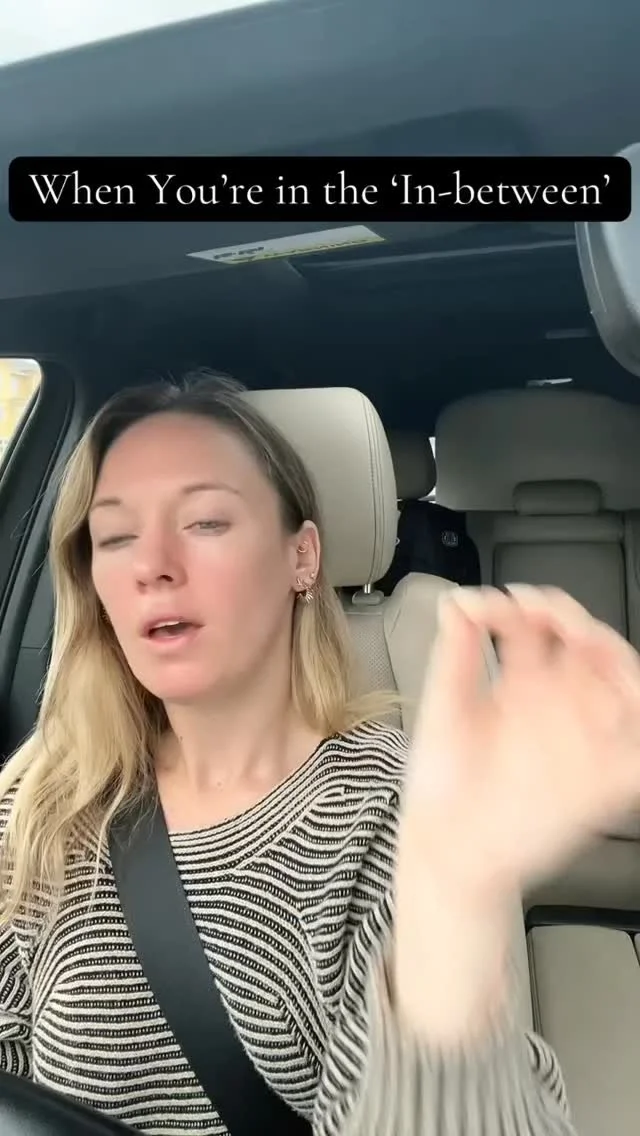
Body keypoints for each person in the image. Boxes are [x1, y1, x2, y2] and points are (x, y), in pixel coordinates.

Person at [1, 371, 639, 1136]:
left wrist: (452, 902)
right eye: (116, 537)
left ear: (302, 557)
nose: (153, 564)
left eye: (205, 522)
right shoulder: (42, 801)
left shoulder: (397, 810)